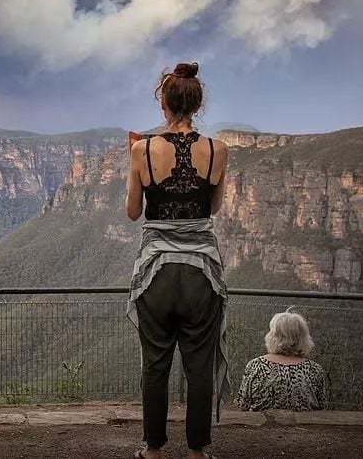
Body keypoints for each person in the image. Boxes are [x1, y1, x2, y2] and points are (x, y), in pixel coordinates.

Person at [125, 62, 230, 459]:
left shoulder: (143, 149)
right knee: (198, 365)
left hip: (157, 272)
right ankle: (198, 451)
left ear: (163, 103)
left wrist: (134, 169)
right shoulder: (219, 149)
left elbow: (134, 212)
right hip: (201, 271)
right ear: (197, 103)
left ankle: (152, 450)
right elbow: (213, 208)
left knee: (155, 364)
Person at [236, 310, 327, 411]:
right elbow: (321, 407)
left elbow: (243, 404)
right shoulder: (314, 370)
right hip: (304, 425)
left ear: (272, 336)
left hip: (262, 425)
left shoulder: (255, 366)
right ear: (303, 338)